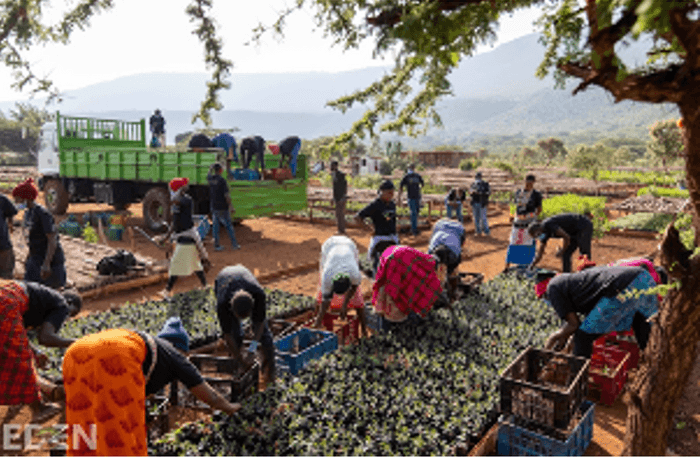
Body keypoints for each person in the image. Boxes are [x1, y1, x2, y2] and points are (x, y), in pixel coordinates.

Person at [63, 324, 241, 456]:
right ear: (182, 349)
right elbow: (211, 397)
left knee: (84, 416)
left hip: (75, 352)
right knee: (121, 430)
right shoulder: (176, 358)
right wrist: (230, 407)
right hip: (115, 355)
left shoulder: (154, 350)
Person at [536, 265, 665, 358]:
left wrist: (554, 338)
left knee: (582, 338)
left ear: (545, 293)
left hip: (620, 287)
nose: (547, 302)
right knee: (643, 330)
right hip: (642, 278)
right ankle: (658, 370)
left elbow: (573, 325)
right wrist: (566, 338)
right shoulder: (572, 283)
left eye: (543, 298)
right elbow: (585, 320)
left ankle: (579, 386)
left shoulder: (552, 288)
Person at [0, 280, 81, 422]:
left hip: (5, 298)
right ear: (70, 304)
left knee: (8, 355)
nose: (65, 319)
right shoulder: (62, 305)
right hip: (7, 303)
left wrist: (36, 352)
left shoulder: (42, 299)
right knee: (21, 359)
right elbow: (45, 338)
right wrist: (80, 343)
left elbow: (18, 334)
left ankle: (19, 397)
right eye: (70, 314)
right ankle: (39, 408)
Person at [215, 265, 275, 383]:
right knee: (235, 333)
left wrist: (252, 348)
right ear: (231, 310)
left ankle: (270, 370)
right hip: (223, 278)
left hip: (243, 273)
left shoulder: (258, 295)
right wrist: (240, 360)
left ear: (252, 308)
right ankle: (238, 368)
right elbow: (228, 334)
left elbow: (260, 323)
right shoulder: (222, 303)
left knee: (265, 336)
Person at [159, 178, 211, 297]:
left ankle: (167, 291)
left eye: (172, 189)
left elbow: (177, 201)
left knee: (176, 264)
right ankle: (205, 285)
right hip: (181, 235)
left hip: (187, 236)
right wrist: (166, 237)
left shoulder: (187, 200)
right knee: (195, 264)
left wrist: (178, 193)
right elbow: (174, 222)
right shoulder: (177, 202)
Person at [372, 245, 448, 324]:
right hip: (397, 259)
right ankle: (390, 325)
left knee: (386, 284)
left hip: (389, 252)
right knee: (393, 294)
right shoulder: (432, 268)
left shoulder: (425, 257)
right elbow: (426, 288)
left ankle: (380, 314)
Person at [13, 179, 66, 289]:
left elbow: (52, 240)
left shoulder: (43, 214)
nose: (16, 202)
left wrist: (46, 264)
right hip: (35, 258)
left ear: (25, 198)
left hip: (50, 260)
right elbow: (31, 238)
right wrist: (28, 258)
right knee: (30, 290)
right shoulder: (28, 213)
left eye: (17, 199)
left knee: (50, 292)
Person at [314, 235, 368, 337]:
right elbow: (326, 300)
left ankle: (364, 330)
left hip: (349, 245)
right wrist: (318, 320)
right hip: (330, 246)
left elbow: (354, 288)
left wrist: (344, 305)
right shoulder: (327, 276)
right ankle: (320, 321)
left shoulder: (355, 274)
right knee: (321, 297)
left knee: (358, 300)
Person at [528, 212, 594, 272]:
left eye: (536, 235)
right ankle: (566, 276)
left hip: (583, 225)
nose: (538, 237)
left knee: (584, 253)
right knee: (566, 254)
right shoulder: (543, 233)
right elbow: (540, 253)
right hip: (573, 232)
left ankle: (589, 274)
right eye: (535, 237)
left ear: (539, 229)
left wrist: (562, 250)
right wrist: (532, 265)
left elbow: (566, 237)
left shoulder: (549, 225)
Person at [355, 180, 399, 269]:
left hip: (393, 237)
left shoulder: (392, 204)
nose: (391, 195)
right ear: (382, 192)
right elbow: (357, 217)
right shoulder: (375, 204)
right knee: (375, 263)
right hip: (380, 238)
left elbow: (392, 219)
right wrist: (369, 229)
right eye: (389, 192)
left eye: (393, 193)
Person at [504, 174, 543, 271]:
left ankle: (528, 267)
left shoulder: (536, 195)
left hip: (529, 225)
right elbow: (516, 206)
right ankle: (507, 267)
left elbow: (539, 209)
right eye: (527, 182)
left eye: (530, 183)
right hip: (518, 223)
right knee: (513, 244)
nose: (528, 185)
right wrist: (515, 215)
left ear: (534, 183)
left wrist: (531, 216)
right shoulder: (518, 192)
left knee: (528, 246)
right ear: (524, 181)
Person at [428, 218, 466, 300]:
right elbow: (461, 245)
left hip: (437, 249)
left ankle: (437, 289)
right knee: (453, 268)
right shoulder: (459, 228)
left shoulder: (438, 226)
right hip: (452, 250)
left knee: (434, 270)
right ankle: (453, 288)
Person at [207, 163, 241, 251]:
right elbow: (226, 195)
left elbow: (208, 175)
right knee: (229, 226)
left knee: (215, 226)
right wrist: (231, 206)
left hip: (214, 206)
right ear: (221, 170)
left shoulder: (211, 179)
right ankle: (234, 245)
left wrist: (210, 168)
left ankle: (216, 245)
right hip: (223, 207)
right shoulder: (222, 180)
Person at [398, 164, 424, 236]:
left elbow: (422, 183)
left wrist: (420, 189)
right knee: (413, 213)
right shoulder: (406, 177)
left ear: (414, 168)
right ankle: (414, 229)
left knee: (417, 212)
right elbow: (401, 185)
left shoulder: (417, 176)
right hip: (411, 197)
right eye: (410, 168)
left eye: (412, 167)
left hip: (418, 197)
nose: (411, 169)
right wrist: (400, 196)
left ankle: (414, 227)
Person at [0, 192, 18, 279]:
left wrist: (11, 225)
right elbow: (10, 215)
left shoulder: (2, 199)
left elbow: (10, 215)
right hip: (3, 245)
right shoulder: (2, 199)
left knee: (6, 276)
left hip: (3, 246)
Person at [470, 172, 491, 236]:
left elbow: (489, 193)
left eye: (479, 177)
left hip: (482, 203)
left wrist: (480, 193)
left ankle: (486, 231)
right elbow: (470, 192)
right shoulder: (473, 184)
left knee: (483, 218)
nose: (478, 178)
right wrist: (472, 192)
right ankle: (478, 231)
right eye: (477, 177)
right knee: (476, 218)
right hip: (474, 202)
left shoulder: (485, 184)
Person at [330, 161, 348, 234]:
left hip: (341, 198)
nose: (331, 167)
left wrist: (342, 197)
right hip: (338, 198)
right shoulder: (334, 174)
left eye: (332, 166)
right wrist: (333, 198)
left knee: (340, 214)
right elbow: (335, 188)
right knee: (338, 214)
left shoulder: (340, 175)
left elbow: (344, 186)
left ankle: (341, 230)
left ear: (336, 166)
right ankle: (341, 229)